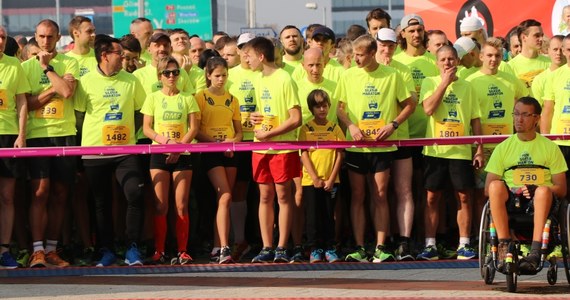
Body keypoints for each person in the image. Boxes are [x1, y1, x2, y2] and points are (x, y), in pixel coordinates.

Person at [335, 34, 415, 263]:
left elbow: (410, 104)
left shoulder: (392, 75)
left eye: (360, 55)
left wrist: (394, 124)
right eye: (355, 55)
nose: (356, 59)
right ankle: (360, 247)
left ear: (372, 54)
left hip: (382, 146)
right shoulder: (348, 75)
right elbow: (339, 108)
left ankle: (381, 247)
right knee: (358, 195)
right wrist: (351, 126)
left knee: (380, 194)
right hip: (357, 146)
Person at [74, 34, 146, 267]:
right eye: (119, 54)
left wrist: (128, 134)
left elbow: (140, 111)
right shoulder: (85, 81)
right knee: (100, 202)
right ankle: (106, 249)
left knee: (134, 193)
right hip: (94, 151)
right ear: (104, 56)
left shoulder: (131, 80)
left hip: (125, 151)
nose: (123, 57)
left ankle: (132, 247)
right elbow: (78, 116)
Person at [416, 45, 483, 261]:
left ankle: (464, 244)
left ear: (458, 61)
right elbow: (428, 109)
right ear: (436, 63)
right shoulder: (429, 82)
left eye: (451, 59)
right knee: (432, 197)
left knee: (464, 197)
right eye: (443, 59)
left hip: (460, 151)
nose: (447, 63)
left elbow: (475, 119)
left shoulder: (468, 86)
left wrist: (479, 149)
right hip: (435, 150)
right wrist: (444, 83)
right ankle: (430, 245)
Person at [486, 97, 567, 272]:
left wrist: (537, 188)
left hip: (542, 202)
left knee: (543, 191)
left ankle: (535, 252)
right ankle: (504, 245)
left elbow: (561, 188)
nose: (518, 119)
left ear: (536, 118)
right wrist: (515, 189)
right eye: (515, 114)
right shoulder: (503, 147)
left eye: (524, 115)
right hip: (512, 201)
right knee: (495, 186)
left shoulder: (550, 147)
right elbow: (487, 189)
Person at [23, 19, 79, 268]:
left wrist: (49, 71)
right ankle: (37, 251)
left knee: (59, 193)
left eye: (50, 37)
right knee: (40, 191)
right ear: (35, 37)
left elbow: (68, 93)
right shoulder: (25, 67)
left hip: (65, 133)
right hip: (37, 135)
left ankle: (52, 249)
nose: (46, 41)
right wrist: (54, 85)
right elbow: (29, 104)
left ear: (58, 38)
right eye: (41, 37)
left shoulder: (70, 61)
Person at [465, 37, 528, 249]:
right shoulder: (471, 81)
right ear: (481, 56)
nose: (493, 59)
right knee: (480, 193)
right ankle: (479, 236)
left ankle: (507, 236)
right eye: (489, 55)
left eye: (497, 56)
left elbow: (526, 105)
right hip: (482, 148)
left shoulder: (511, 80)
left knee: (510, 193)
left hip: (508, 147)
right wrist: (478, 147)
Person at [244, 37, 302, 263]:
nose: (246, 60)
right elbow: (257, 115)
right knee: (265, 196)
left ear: (260, 56)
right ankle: (267, 246)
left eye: (248, 55)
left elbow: (295, 118)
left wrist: (271, 134)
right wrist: (252, 118)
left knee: (283, 196)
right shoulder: (256, 80)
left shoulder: (285, 78)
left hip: (282, 147)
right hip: (261, 148)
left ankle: (282, 247)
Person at [141, 56, 199, 265]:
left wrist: (179, 147)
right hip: (159, 153)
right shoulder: (153, 97)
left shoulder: (187, 98)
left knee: (181, 205)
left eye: (176, 72)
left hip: (182, 154)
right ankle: (160, 250)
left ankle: (182, 251)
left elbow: (194, 127)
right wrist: (165, 142)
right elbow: (147, 127)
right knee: (160, 206)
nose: (172, 76)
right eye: (167, 73)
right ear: (160, 76)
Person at [195, 56, 242, 264]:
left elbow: (239, 132)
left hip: (230, 152)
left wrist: (232, 142)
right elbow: (196, 130)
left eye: (224, 75)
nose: (221, 79)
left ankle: (217, 245)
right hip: (211, 151)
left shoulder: (233, 99)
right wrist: (216, 143)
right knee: (224, 196)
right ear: (208, 76)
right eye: (217, 76)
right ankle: (224, 247)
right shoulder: (201, 97)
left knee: (225, 199)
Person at [375, 28, 417, 261]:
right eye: (383, 44)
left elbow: (411, 103)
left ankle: (404, 241)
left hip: (400, 137)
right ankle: (383, 240)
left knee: (404, 189)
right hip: (374, 140)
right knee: (379, 192)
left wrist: (393, 124)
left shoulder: (403, 69)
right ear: (376, 43)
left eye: (391, 45)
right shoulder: (363, 68)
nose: (387, 49)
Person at [298, 89, 344, 263]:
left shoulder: (334, 128)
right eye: (318, 107)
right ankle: (314, 248)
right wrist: (315, 178)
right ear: (311, 109)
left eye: (325, 106)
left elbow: (340, 154)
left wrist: (332, 178)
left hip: (331, 181)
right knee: (312, 215)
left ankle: (330, 247)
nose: (322, 110)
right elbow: (303, 154)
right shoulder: (306, 128)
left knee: (329, 214)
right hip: (311, 181)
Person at [0, 26, 30, 268]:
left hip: (8, 135)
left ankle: (4, 249)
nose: (0, 41)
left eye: (2, 37)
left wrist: (21, 134)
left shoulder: (14, 65)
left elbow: (21, 102)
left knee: (7, 196)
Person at [226, 33, 256, 261]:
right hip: (237, 141)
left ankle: (266, 241)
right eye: (242, 48)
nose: (246, 52)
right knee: (237, 191)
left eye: (251, 47)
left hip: (264, 140)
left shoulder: (267, 73)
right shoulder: (230, 76)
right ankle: (240, 240)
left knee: (265, 194)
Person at [508, 19, 550, 96]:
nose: (541, 39)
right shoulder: (510, 66)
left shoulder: (549, 62)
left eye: (542, 35)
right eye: (536, 35)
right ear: (524, 37)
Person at [532, 35, 565, 105]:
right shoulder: (539, 80)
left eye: (562, 50)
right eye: (555, 49)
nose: (558, 53)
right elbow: (537, 110)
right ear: (548, 51)